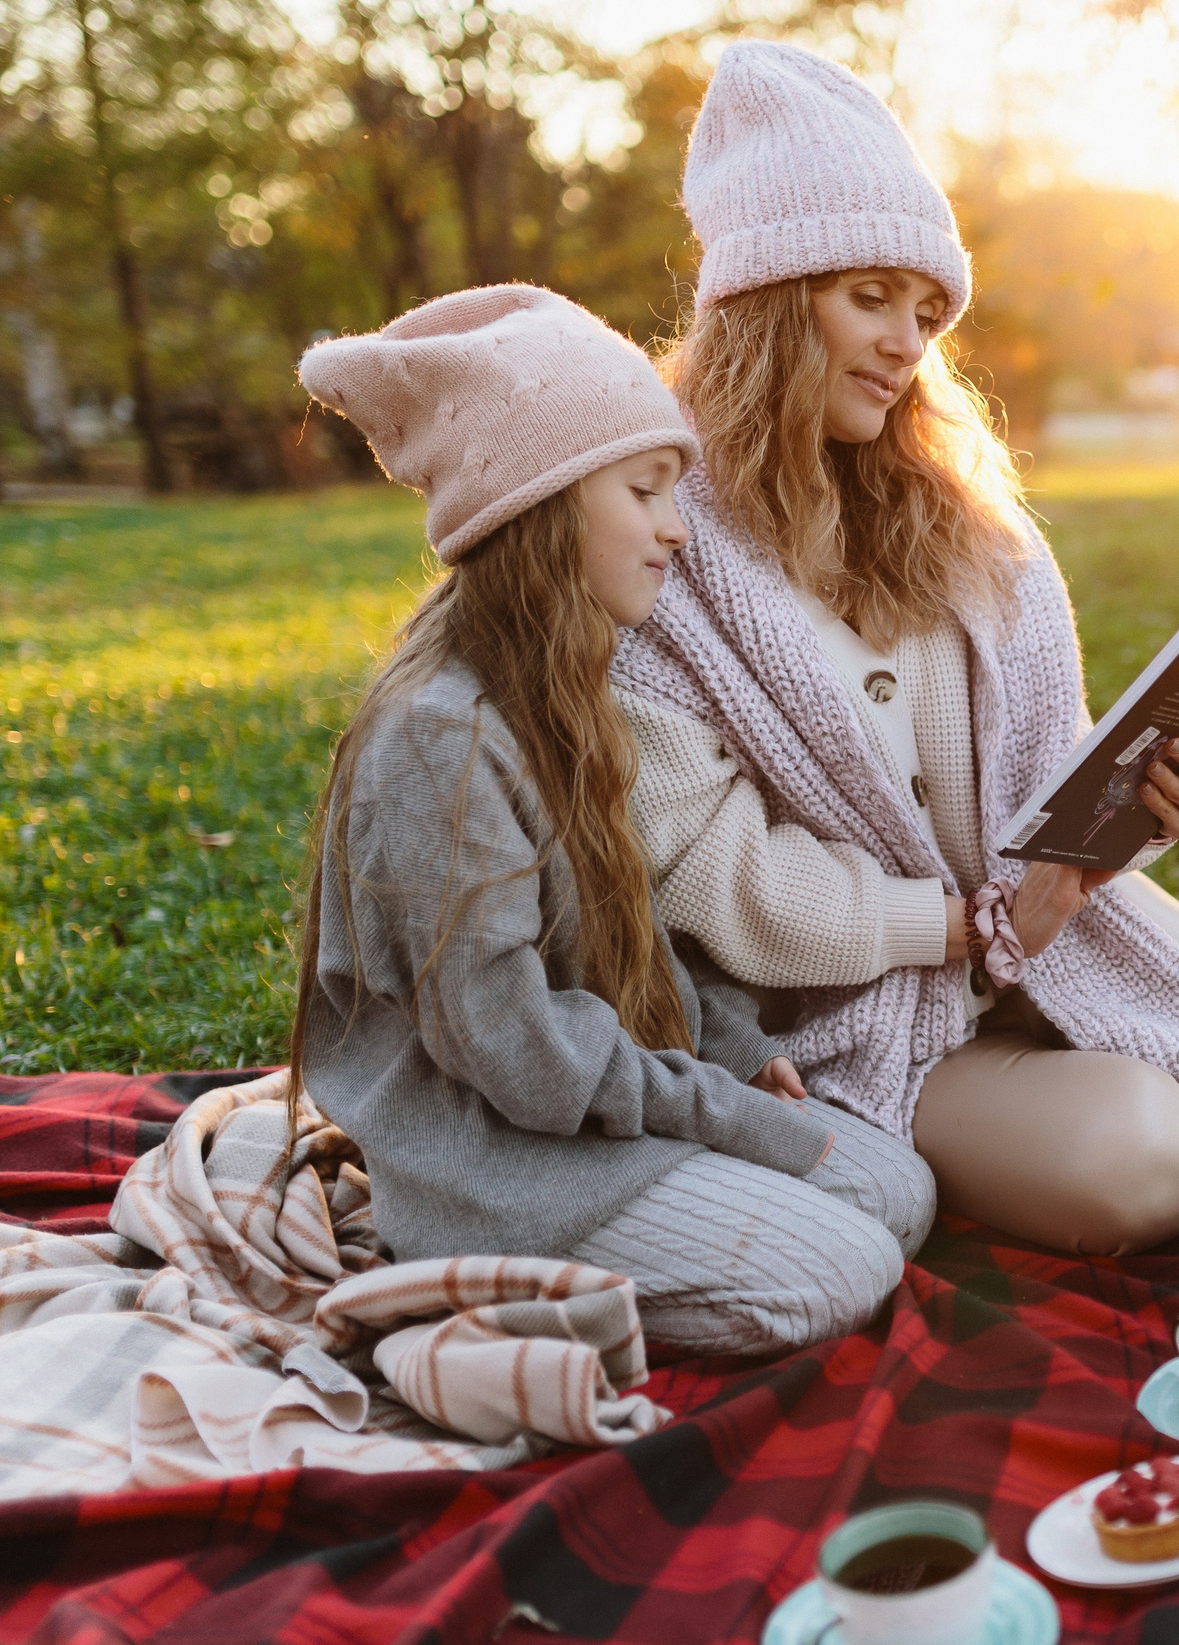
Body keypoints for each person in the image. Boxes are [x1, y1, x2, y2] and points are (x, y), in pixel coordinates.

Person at [611, 43, 1179, 1256]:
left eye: (926, 311)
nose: (907, 345)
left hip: (1056, 926)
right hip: (857, 1008)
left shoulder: (964, 518)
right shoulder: (656, 538)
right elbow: (715, 877)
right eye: (869, 297)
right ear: (772, 297)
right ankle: (1123, 1067)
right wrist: (965, 932)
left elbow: (1054, 778)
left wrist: (1149, 806)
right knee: (1151, 1160)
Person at [287, 283, 936, 1356]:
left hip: (591, 1114)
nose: (678, 530)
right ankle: (450, 1271)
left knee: (896, 1191)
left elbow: (620, 933)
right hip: (493, 1161)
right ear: (537, 506)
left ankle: (693, 1214)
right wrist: (725, 1115)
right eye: (645, 491)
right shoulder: (440, 739)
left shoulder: (572, 690)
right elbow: (523, 1057)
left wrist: (725, 1046)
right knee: (847, 1268)